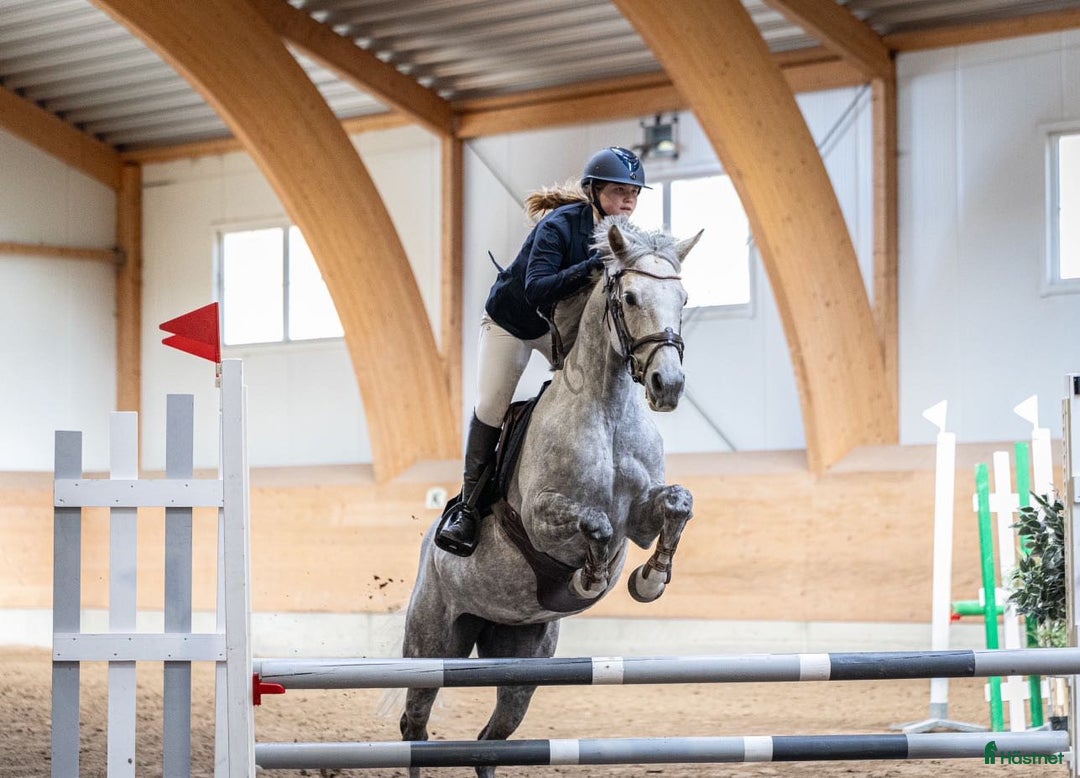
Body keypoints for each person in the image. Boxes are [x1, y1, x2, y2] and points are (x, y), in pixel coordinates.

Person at [435, 146, 648, 556]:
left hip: (557, 329)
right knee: (492, 405)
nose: (628, 200)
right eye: (620, 190)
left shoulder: (626, 239)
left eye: (634, 193)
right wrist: (591, 266)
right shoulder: (559, 226)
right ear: (594, 192)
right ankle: (467, 508)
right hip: (512, 324)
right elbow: (537, 288)